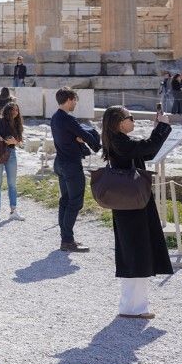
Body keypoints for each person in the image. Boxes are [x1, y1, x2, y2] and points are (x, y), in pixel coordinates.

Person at [100, 105, 173, 319]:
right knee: (136, 250)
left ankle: (131, 305)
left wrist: (158, 129)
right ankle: (135, 307)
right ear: (118, 122)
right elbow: (146, 148)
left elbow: (146, 150)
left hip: (129, 200)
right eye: (130, 118)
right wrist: (162, 126)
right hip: (131, 202)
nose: (133, 121)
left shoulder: (118, 140)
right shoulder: (120, 141)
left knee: (133, 249)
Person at [50, 87, 101, 253]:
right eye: (75, 100)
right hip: (71, 164)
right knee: (75, 202)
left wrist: (76, 137)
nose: (76, 104)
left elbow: (72, 135)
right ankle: (67, 240)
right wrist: (96, 145)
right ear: (70, 99)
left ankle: (65, 238)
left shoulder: (55, 118)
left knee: (65, 200)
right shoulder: (68, 119)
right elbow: (84, 135)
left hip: (60, 162)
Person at [0, 102, 25, 221]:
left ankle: (13, 211)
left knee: (12, 183)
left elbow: (20, 142)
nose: (16, 113)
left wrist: (15, 142)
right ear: (8, 110)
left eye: (17, 110)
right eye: (13, 110)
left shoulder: (17, 124)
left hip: (11, 153)